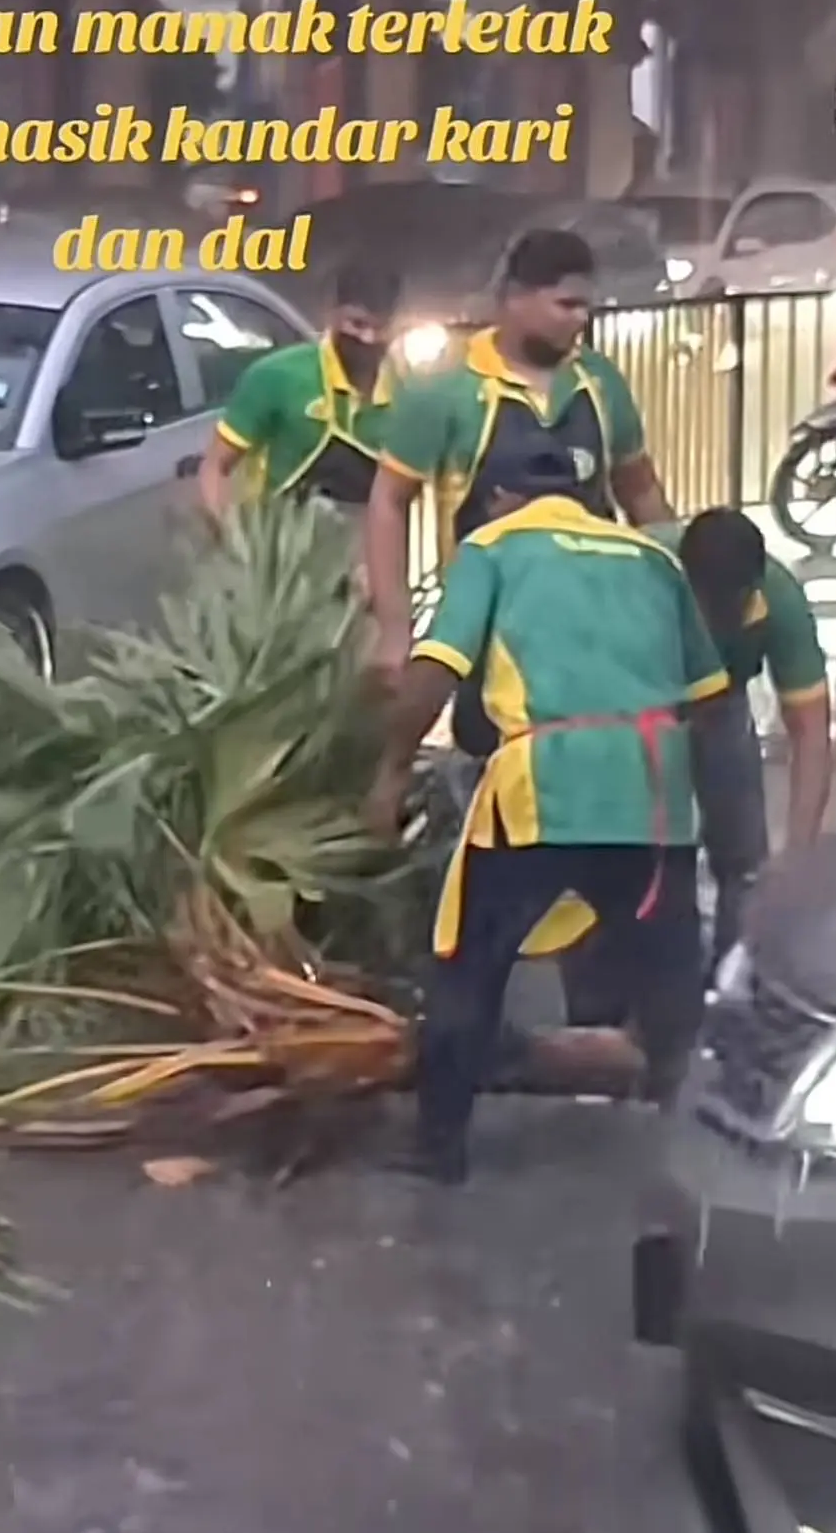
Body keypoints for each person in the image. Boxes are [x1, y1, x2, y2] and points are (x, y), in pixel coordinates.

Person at [366, 445, 729, 1185]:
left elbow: (438, 667)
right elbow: (713, 697)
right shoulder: (652, 557)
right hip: (654, 795)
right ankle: (711, 1147)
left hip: (544, 788)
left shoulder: (493, 545)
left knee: (469, 966)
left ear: (498, 495)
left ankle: (440, 1148)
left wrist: (391, 772)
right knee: (671, 983)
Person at [365, 228, 672, 692]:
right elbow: (388, 502)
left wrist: (675, 589)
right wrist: (395, 628)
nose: (581, 320)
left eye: (586, 306)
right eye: (566, 305)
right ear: (515, 298)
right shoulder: (445, 386)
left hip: (597, 618)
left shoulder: (600, 381)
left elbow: (642, 491)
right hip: (493, 629)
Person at [560, 506, 832, 1022]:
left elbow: (811, 731)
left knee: (748, 864)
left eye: (730, 611)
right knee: (618, 857)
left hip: (720, 707)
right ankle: (597, 1013)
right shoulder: (627, 582)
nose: (718, 622)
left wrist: (797, 855)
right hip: (621, 705)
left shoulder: (775, 600)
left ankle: (729, 1000)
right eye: (708, 610)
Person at [197, 259, 401, 525]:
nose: (369, 338)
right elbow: (215, 467)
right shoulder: (277, 376)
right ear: (332, 315)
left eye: (380, 327)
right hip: (279, 546)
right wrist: (230, 536)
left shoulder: (409, 387)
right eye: (357, 324)